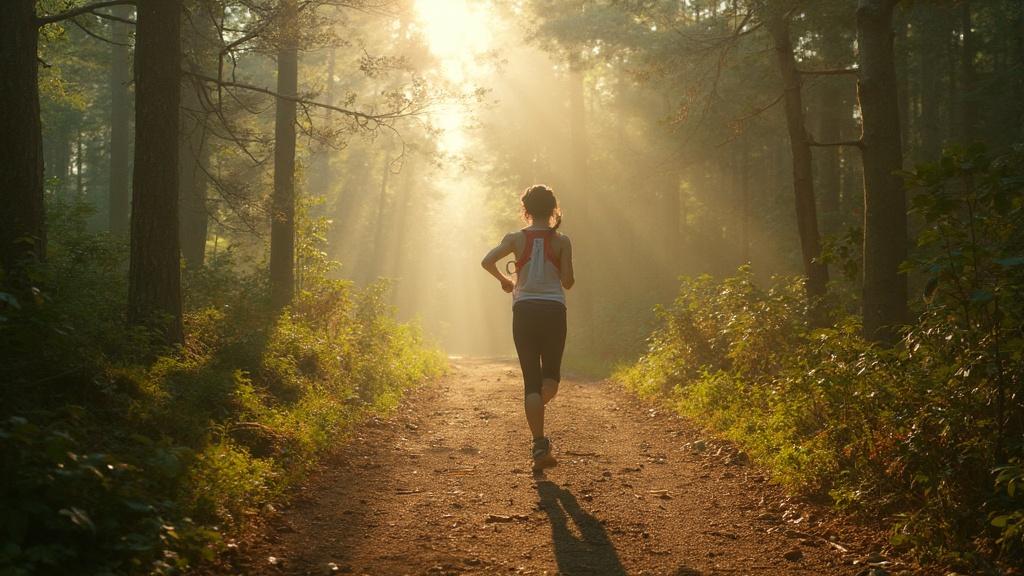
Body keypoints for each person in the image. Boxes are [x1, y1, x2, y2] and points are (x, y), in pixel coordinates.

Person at [481, 184, 575, 471]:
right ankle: (537, 431)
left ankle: (538, 443)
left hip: (523, 312)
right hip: (554, 312)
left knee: (531, 381)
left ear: (526, 210)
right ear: (554, 209)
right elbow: (568, 282)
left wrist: (505, 281)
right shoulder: (562, 241)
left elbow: (487, 261)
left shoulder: (514, 239)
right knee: (551, 381)